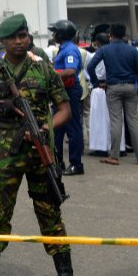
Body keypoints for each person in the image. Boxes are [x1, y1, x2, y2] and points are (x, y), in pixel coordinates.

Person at [0, 14, 78, 276]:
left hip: (40, 151)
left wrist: (44, 128)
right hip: (4, 154)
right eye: (12, 38)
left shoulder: (44, 69)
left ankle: (65, 274)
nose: (18, 42)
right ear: (2, 41)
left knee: (50, 211)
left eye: (22, 36)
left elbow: (65, 110)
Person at [86, 23, 138, 166]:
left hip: (113, 87)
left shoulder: (105, 49)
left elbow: (90, 66)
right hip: (130, 86)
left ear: (110, 35)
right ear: (124, 35)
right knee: (133, 121)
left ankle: (114, 156)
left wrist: (96, 83)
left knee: (116, 121)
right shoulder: (132, 50)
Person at [48, 20, 85, 176]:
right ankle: (58, 162)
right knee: (57, 128)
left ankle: (76, 164)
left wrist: (52, 76)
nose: (53, 35)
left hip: (69, 91)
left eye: (55, 32)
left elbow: (70, 70)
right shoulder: (64, 48)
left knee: (72, 128)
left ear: (61, 34)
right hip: (61, 91)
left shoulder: (70, 50)